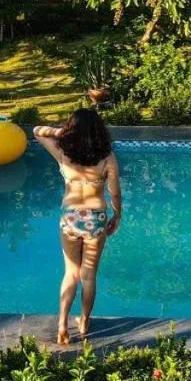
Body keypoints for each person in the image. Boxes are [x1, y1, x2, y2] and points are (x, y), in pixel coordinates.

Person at [33, 109, 122, 344]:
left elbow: (37, 131)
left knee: (71, 273)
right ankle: (83, 322)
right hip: (96, 218)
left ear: (71, 128)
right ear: (99, 130)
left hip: (71, 218)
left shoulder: (64, 152)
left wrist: (62, 132)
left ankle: (62, 325)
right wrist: (117, 215)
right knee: (89, 275)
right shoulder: (107, 157)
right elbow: (115, 192)